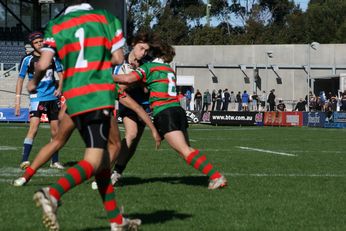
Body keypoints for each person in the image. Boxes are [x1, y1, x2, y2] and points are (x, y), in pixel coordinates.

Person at [27, 2, 142, 230]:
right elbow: (119, 59)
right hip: (97, 95)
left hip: (73, 97)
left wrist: (34, 82)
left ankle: (116, 222)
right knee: (94, 160)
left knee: (101, 166)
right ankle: (52, 193)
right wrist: (95, 60)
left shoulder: (56, 24)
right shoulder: (107, 19)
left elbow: (43, 63)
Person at [113, 40, 227, 190]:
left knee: (184, 151)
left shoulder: (149, 67)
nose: (145, 54)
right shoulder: (168, 69)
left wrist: (104, 78)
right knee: (186, 149)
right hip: (178, 110)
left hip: (165, 112)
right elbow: (149, 86)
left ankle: (216, 176)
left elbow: (127, 79)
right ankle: (214, 177)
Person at [13, 84, 161, 187]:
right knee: (115, 145)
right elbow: (136, 107)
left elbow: (65, 105)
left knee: (57, 141)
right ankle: (99, 180)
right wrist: (154, 130)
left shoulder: (81, 79)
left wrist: (62, 116)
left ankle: (25, 177)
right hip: (98, 107)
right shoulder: (110, 84)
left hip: (76, 104)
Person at [15, 31, 64, 170]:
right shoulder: (27, 60)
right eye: (36, 43)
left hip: (53, 97)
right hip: (37, 98)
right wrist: (17, 101)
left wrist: (60, 88)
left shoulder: (53, 57)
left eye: (41, 41)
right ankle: (24, 160)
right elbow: (20, 79)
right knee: (34, 128)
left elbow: (61, 74)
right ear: (32, 45)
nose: (39, 44)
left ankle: (54, 161)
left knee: (55, 131)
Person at [110, 32, 153, 185]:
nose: (144, 53)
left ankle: (118, 171)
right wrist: (130, 79)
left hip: (144, 104)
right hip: (127, 103)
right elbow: (118, 87)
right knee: (132, 134)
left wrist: (138, 78)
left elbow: (148, 90)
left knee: (134, 143)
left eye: (146, 50)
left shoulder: (148, 63)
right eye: (141, 48)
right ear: (134, 44)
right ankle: (110, 171)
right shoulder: (120, 61)